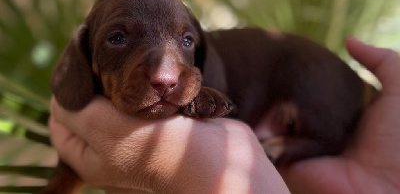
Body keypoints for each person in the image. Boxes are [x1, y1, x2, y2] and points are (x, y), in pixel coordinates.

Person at [49, 38, 400, 193]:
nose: (165, 75)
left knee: (312, 71)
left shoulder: (193, 77)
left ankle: (315, 139)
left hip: (302, 84)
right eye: (118, 38)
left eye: (185, 40)